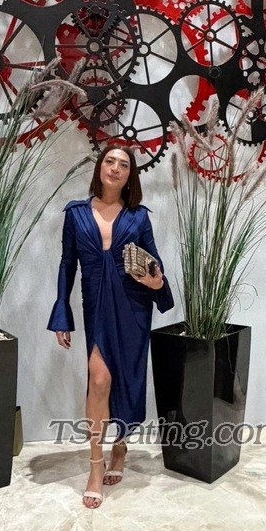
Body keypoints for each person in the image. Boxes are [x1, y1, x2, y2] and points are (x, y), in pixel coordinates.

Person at [48, 145, 174, 508]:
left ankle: (120, 446)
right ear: (100, 167)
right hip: (96, 305)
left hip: (133, 306)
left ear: (130, 175)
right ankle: (95, 465)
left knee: (128, 378)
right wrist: (62, 312)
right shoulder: (76, 214)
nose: (115, 168)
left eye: (124, 164)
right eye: (110, 161)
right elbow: (67, 265)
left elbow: (155, 265)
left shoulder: (139, 217)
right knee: (100, 378)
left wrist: (156, 282)